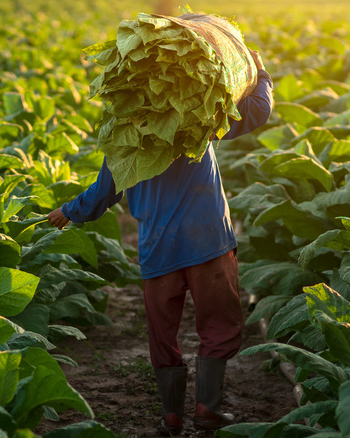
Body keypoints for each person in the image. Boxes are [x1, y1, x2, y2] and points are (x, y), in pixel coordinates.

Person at [48, 50, 273, 434]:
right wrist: (259, 71)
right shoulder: (197, 114)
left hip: (157, 246)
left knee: (162, 333)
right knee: (218, 323)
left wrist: (69, 210)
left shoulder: (125, 131)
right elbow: (256, 111)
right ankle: (207, 409)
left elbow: (106, 190)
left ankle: (171, 416)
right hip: (207, 241)